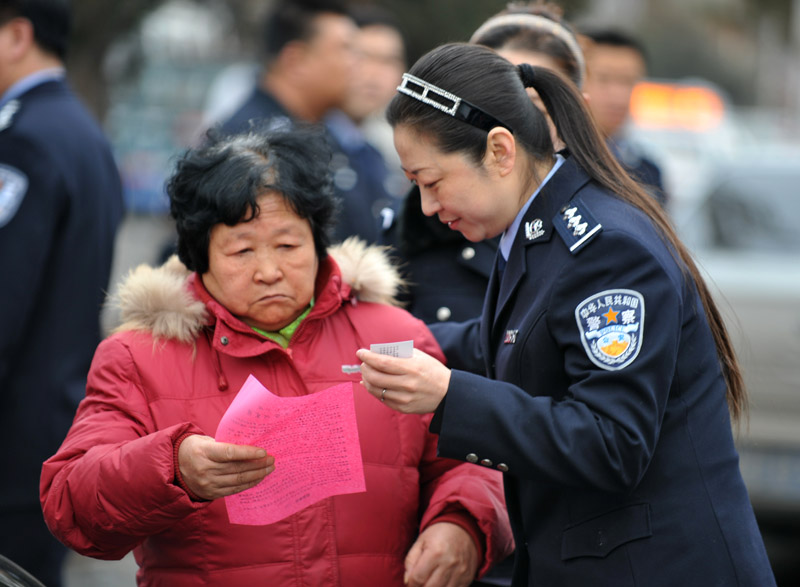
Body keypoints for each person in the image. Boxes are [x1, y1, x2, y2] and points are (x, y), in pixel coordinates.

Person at [356, 42, 776, 586]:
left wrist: (448, 396)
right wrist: (380, 339)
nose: (429, 208)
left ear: (501, 150)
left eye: (432, 182)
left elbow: (611, 442)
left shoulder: (605, 249)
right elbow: (506, 344)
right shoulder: (541, 230)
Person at [39, 126, 513, 586]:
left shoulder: (395, 336)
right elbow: (71, 505)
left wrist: (462, 525)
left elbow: (468, 461)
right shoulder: (139, 356)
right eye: (241, 251)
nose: (269, 271)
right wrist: (172, 468)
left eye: (288, 245)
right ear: (198, 255)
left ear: (317, 241)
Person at [0, 1, 124, 584]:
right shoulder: (81, 132)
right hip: (51, 428)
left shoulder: (22, 138)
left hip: (10, 443)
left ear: (17, 35)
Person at [380, 1, 585, 328]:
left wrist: (446, 382)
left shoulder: (592, 241)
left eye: (533, 108)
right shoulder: (414, 231)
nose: (524, 127)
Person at [222, 0, 389, 245]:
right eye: (346, 50)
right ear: (295, 60)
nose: (358, 65)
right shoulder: (253, 146)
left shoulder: (326, 132)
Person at [580, 28, 668, 207]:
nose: (618, 95)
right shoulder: (549, 161)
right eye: (604, 79)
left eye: (629, 81)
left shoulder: (647, 172)